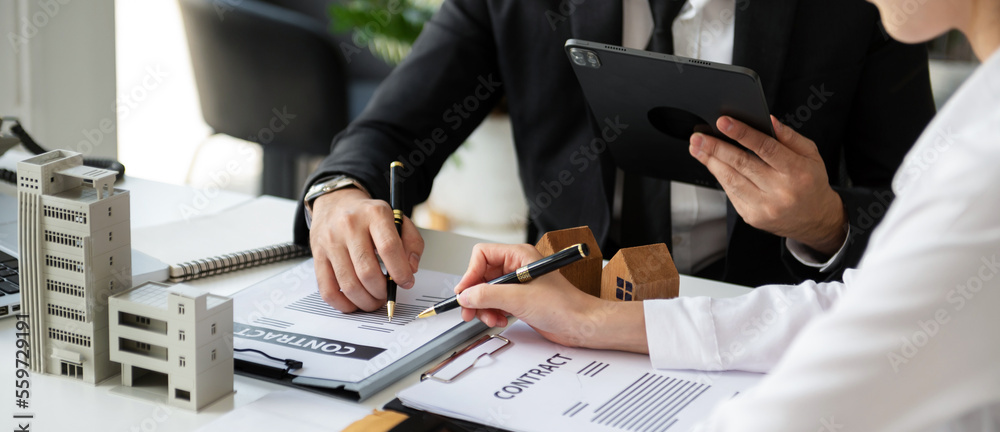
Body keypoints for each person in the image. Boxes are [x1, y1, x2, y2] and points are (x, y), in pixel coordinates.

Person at [452, 0, 1000, 432]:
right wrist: (594, 319)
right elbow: (853, 305)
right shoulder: (976, 127)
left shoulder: (980, 173)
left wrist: (826, 218)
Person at [295, 0, 935, 315]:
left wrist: (824, 221)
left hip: (762, 318)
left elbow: (923, 210)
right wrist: (340, 194)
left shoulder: (870, 8)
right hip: (566, 307)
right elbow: (394, 128)